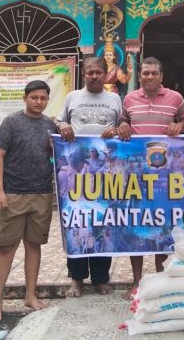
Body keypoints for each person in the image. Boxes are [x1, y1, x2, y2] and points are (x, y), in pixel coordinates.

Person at [116, 56, 184, 297]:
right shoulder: (128, 98)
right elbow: (123, 122)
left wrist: (181, 126)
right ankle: (138, 281)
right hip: (137, 177)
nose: (149, 77)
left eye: (153, 73)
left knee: (162, 227)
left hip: (165, 178)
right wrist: (122, 126)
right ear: (140, 76)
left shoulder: (175, 98)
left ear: (161, 76)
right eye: (145, 73)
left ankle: (162, 279)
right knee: (136, 228)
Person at [0, 80, 56, 321]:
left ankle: (31, 296)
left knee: (34, 245)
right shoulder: (12, 123)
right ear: (25, 98)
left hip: (42, 193)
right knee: (7, 247)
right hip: (13, 193)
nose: (39, 102)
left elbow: (56, 156)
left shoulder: (50, 125)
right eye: (34, 97)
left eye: (43, 98)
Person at [56, 56, 122, 297]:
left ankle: (101, 278)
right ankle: (76, 279)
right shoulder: (72, 97)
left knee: (102, 223)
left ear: (106, 74)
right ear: (84, 74)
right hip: (76, 178)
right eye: (90, 72)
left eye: (98, 72)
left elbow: (123, 125)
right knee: (77, 224)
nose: (94, 76)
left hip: (103, 178)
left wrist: (117, 129)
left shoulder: (114, 99)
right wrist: (62, 126)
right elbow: (59, 121)